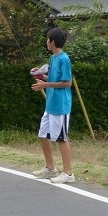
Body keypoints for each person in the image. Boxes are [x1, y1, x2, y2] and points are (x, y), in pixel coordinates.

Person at [31, 27, 75, 184]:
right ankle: (50, 169)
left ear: (53, 42)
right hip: (50, 105)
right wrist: (41, 75)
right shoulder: (53, 58)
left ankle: (68, 173)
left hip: (60, 106)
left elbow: (67, 82)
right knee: (43, 135)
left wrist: (45, 85)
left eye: (47, 39)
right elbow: (54, 77)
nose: (46, 41)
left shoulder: (64, 59)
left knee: (61, 139)